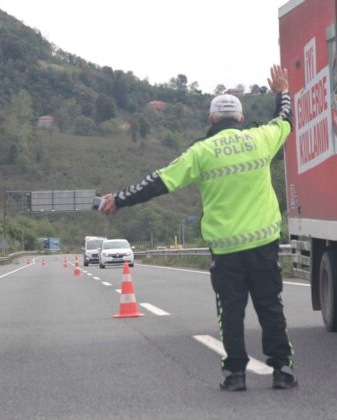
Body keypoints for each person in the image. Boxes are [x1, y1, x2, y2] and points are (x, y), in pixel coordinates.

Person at [99, 65, 296, 391]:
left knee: (230, 313)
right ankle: (283, 371)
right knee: (270, 306)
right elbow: (285, 120)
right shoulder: (260, 140)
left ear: (211, 122)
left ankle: (235, 376)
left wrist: (119, 199)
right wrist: (282, 91)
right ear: (242, 120)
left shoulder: (201, 153)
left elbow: (158, 182)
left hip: (227, 249)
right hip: (264, 244)